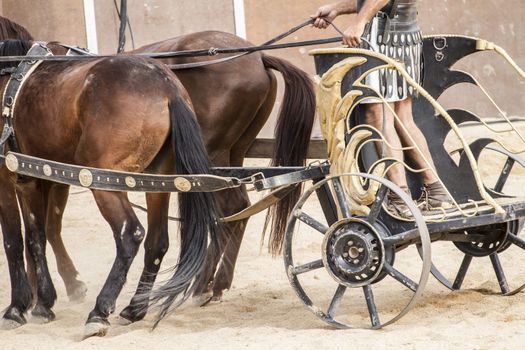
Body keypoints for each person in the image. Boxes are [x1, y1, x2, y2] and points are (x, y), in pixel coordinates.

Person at [312, 0, 451, 217]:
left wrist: (359, 22)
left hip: (382, 38)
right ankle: (436, 192)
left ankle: (400, 199)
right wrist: (337, 9)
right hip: (403, 34)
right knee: (402, 118)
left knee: (380, 117)